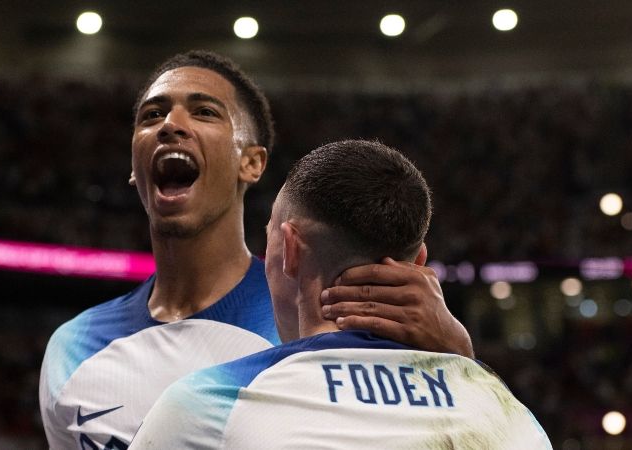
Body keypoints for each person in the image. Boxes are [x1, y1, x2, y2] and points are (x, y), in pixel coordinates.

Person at [39, 51, 473, 449]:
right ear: (134, 167)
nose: (170, 124)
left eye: (204, 111)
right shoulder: (72, 349)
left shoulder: (322, 308)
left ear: (253, 162)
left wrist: (458, 355)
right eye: (152, 115)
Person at [130, 140, 551, 450]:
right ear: (418, 262)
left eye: (269, 243)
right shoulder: (508, 418)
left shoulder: (208, 405)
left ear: (290, 249)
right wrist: (465, 364)